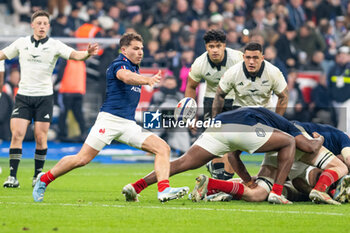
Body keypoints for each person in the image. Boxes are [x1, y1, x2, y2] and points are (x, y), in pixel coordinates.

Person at [32, 32, 189, 203]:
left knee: (162, 148)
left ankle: (164, 190)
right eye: (135, 49)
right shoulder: (118, 64)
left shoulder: (134, 67)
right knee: (81, 159)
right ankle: (44, 179)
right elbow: (126, 77)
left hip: (128, 124)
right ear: (123, 50)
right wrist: (146, 79)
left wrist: (143, 78)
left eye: (142, 49)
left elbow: (131, 76)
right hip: (109, 121)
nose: (140, 52)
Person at [122, 107, 325, 204]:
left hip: (218, 126)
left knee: (181, 162)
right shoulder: (290, 126)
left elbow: (233, 156)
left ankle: (136, 186)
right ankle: (277, 193)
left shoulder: (262, 115)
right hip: (242, 127)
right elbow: (307, 146)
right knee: (289, 141)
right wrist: (319, 139)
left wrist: (247, 180)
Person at [0, 10, 99, 188]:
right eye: (39, 23)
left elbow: (76, 55)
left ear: (49, 26)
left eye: (45, 23)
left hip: (44, 97)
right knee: (17, 134)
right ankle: (12, 177)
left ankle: (37, 175)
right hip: (23, 96)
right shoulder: (21, 43)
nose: (42, 26)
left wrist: (88, 53)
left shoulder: (55, 45)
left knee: (40, 136)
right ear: (32, 25)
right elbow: (2, 54)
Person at [191, 120, 348, 205]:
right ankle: (322, 190)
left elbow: (233, 155)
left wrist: (247, 180)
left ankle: (212, 185)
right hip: (297, 140)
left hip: (278, 146)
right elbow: (347, 159)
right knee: (338, 167)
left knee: (258, 193)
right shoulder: (342, 138)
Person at [209, 42, 289, 180]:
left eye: (255, 58)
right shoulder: (233, 72)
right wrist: (215, 120)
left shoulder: (273, 72)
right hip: (242, 115)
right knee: (231, 152)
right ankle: (236, 179)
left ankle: (279, 178)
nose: (251, 61)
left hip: (265, 116)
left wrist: (276, 121)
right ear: (243, 57)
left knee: (283, 145)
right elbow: (219, 94)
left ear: (262, 58)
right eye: (248, 57)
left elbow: (283, 97)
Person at [185, 29, 243, 180]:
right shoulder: (199, 63)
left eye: (218, 46)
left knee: (233, 142)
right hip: (211, 99)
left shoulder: (238, 58)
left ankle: (225, 178)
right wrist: (190, 115)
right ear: (206, 47)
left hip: (234, 99)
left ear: (224, 46)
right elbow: (191, 87)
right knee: (213, 141)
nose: (215, 50)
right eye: (211, 46)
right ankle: (220, 178)